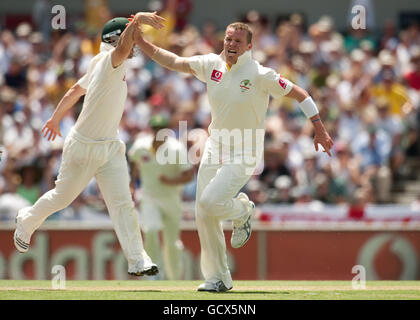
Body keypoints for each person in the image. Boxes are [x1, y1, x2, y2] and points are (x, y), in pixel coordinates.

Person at [134, 20, 333, 291]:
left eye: (238, 41)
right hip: (217, 146)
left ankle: (243, 211)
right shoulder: (210, 65)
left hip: (246, 149)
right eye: (228, 39)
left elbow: (300, 93)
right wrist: (142, 42)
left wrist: (319, 129)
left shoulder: (260, 74)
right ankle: (218, 278)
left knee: (209, 202)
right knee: (203, 212)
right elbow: (174, 61)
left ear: (249, 46)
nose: (231, 44)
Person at [13, 12, 166, 277]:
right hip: (84, 145)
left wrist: (54, 119)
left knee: (122, 204)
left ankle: (138, 260)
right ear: (119, 40)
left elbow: (75, 91)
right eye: (134, 39)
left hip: (110, 147)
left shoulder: (100, 62)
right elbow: (121, 48)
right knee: (62, 198)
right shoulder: (109, 60)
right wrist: (138, 19)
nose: (137, 45)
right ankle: (26, 221)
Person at [128, 114, 194, 280]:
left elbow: (188, 175)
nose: (158, 132)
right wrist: (131, 185)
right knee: (150, 230)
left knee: (171, 243)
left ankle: (175, 278)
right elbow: (134, 164)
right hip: (149, 196)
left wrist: (170, 181)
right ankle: (154, 274)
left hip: (171, 198)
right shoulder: (141, 145)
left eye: (161, 129)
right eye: (156, 129)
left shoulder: (177, 148)